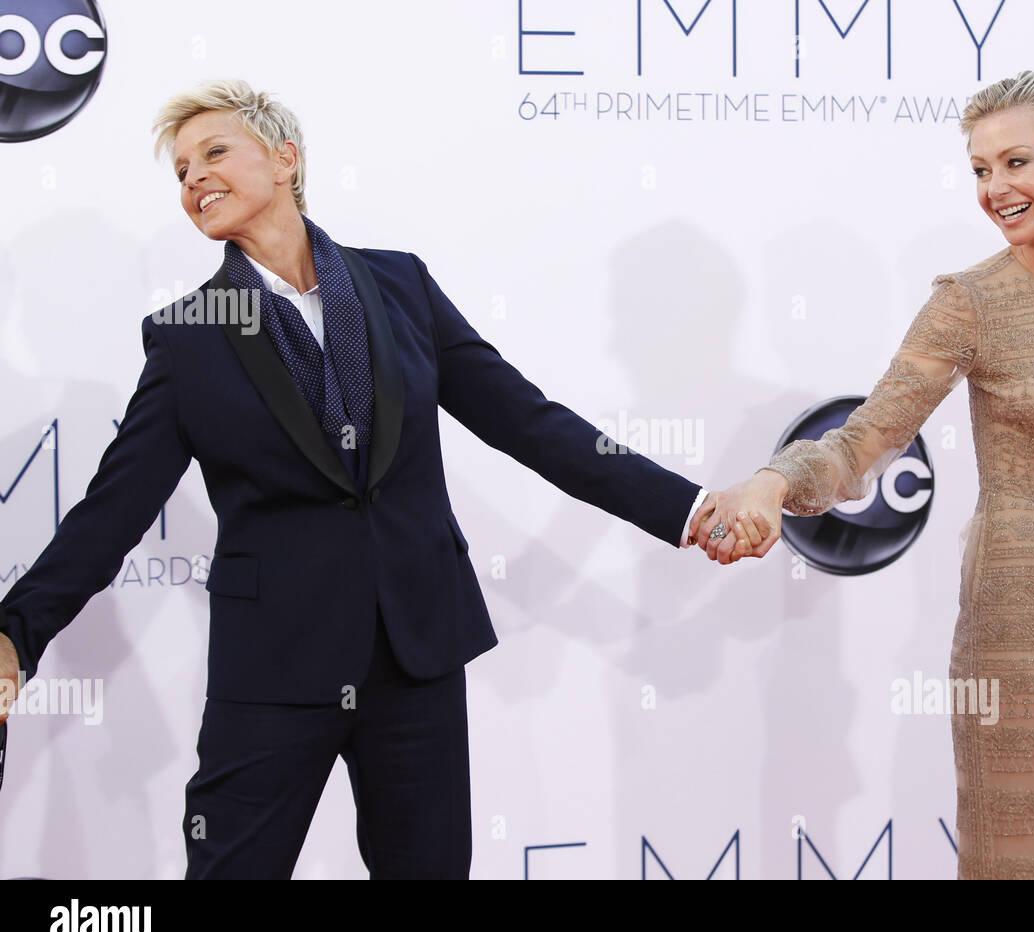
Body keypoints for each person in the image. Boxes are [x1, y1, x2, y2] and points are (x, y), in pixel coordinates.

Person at [0, 79, 767, 878]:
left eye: (214, 153)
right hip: (274, 668)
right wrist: (18, 632)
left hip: (417, 653)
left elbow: (530, 423)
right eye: (181, 171)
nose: (194, 179)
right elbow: (112, 510)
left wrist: (691, 508)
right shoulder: (186, 338)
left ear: (285, 159)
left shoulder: (400, 286)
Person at [694, 70, 1034, 879]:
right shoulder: (970, 303)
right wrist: (775, 481)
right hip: (1014, 631)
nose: (994, 188)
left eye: (1015, 163)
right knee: (1012, 866)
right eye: (981, 169)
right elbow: (865, 439)